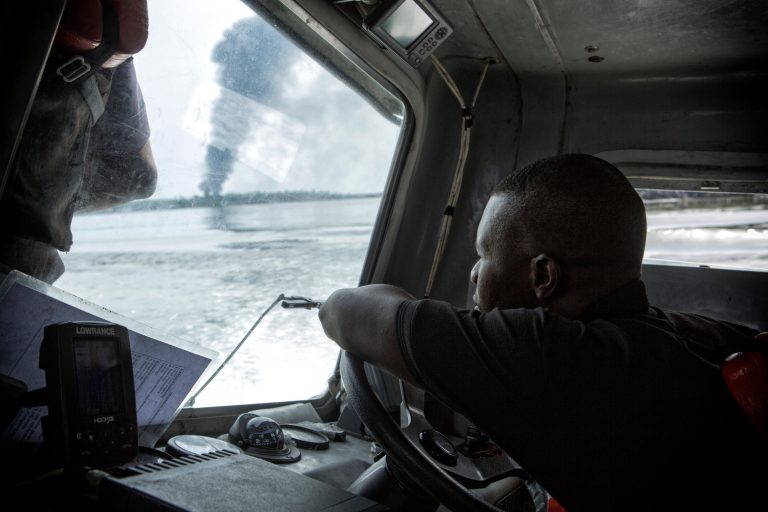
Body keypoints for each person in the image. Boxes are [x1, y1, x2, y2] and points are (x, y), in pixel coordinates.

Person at [319, 154, 766, 511]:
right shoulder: (690, 336)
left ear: (543, 277)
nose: (474, 275)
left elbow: (342, 311)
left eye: (483, 255)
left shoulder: (558, 358)